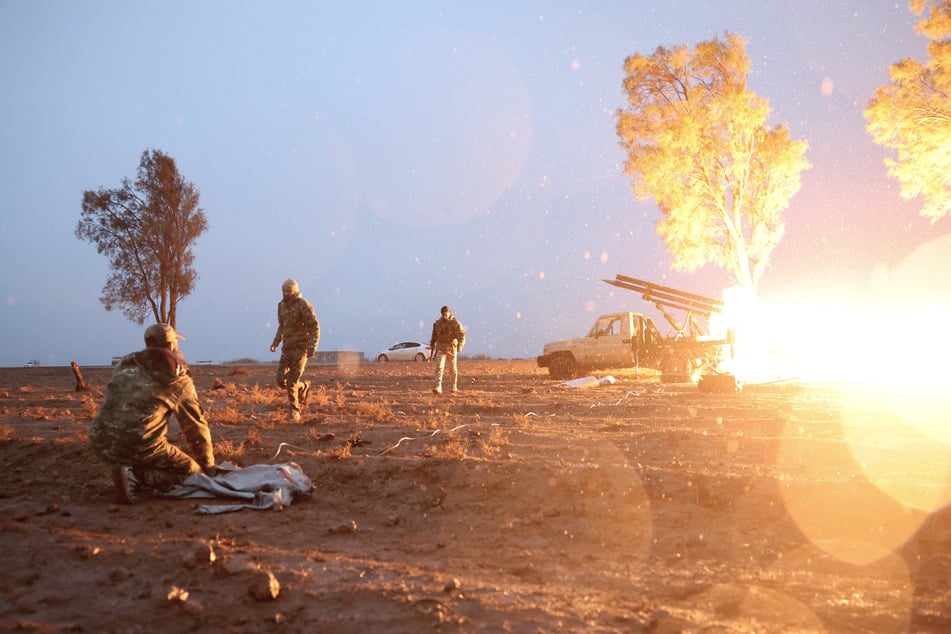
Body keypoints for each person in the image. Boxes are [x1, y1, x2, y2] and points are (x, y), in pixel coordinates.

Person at [89, 323, 216, 504]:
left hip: (99, 439)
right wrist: (207, 467)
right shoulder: (178, 379)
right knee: (192, 473)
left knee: (143, 441)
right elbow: (195, 426)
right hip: (141, 444)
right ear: (172, 345)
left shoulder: (125, 364)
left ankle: (127, 466)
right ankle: (136, 477)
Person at [269, 278, 320, 421]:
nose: (286, 293)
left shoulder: (303, 305)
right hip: (287, 349)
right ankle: (303, 387)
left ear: (295, 291)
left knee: (291, 381)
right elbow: (281, 326)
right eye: (284, 291)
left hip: (300, 349)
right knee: (280, 381)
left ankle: (295, 411)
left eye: (289, 291)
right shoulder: (281, 306)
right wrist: (275, 342)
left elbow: (315, 327)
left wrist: (312, 346)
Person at [430, 305, 466, 395]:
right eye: (443, 314)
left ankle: (453, 386)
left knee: (452, 368)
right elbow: (434, 335)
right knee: (439, 367)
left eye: (446, 314)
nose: (444, 316)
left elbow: (462, 334)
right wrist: (433, 343)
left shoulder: (455, 323)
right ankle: (438, 387)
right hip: (441, 347)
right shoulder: (438, 323)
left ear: (449, 313)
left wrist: (460, 345)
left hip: (451, 347)